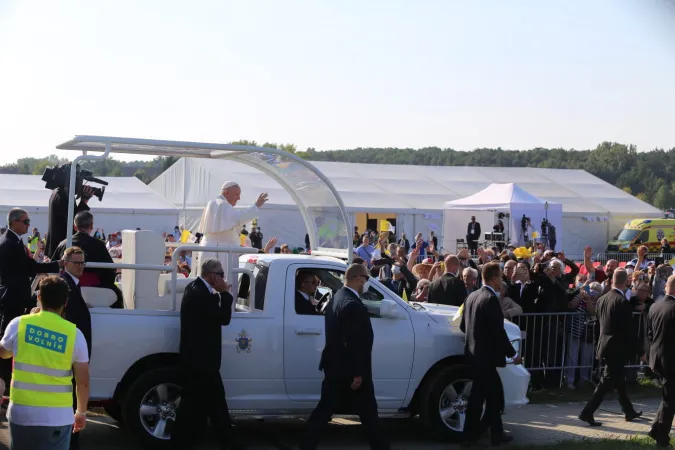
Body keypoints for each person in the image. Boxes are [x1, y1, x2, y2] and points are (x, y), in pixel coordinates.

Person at [300, 263, 390, 450]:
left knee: (326, 411)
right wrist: (358, 373)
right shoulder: (352, 304)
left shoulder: (338, 297)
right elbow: (354, 342)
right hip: (350, 371)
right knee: (368, 414)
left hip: (336, 366)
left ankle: (306, 445)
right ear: (358, 279)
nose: (366, 283)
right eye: (366, 278)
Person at [0, 276, 89, 450]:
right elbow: (83, 382)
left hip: (22, 413)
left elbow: (3, 353)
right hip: (58, 417)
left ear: (39, 297)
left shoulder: (19, 324)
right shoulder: (74, 334)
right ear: (66, 301)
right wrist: (81, 412)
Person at [170, 259, 240, 450]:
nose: (224, 280)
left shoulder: (197, 289)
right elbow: (223, 318)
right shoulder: (199, 293)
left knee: (208, 403)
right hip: (200, 361)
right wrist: (226, 294)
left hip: (202, 360)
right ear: (213, 277)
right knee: (200, 404)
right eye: (222, 276)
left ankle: (224, 441)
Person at [0, 208, 64, 389]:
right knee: (6, 341)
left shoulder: (12, 240)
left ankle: (3, 381)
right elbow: (29, 267)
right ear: (13, 222)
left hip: (14, 295)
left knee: (8, 340)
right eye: (25, 221)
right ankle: (2, 382)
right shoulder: (10, 242)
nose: (29, 225)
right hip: (12, 297)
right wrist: (56, 265)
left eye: (28, 221)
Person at [460, 262, 520, 446]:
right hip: (485, 358)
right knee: (491, 398)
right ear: (493, 279)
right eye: (500, 277)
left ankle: (493, 434)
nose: (502, 280)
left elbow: (464, 325)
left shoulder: (472, 296)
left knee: (489, 397)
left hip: (474, 355)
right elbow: (498, 331)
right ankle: (474, 435)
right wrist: (513, 354)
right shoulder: (490, 299)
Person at [579, 268, 642, 426]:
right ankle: (587, 412)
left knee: (619, 381)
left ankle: (628, 411)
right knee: (606, 382)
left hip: (605, 345)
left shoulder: (602, 299)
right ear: (626, 281)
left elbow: (598, 325)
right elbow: (627, 330)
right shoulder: (622, 302)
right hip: (617, 348)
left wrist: (598, 345)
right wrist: (638, 350)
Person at [196, 181, 268, 278]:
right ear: (226, 192)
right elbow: (239, 218)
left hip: (215, 249)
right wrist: (256, 206)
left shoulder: (216, 203)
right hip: (221, 252)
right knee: (223, 282)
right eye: (236, 194)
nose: (238, 198)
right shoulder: (221, 204)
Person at [52, 211, 123, 308]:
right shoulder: (99, 245)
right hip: (95, 289)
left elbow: (53, 266)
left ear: (75, 226)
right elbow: (110, 271)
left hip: (66, 288)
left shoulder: (63, 244)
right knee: (119, 297)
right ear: (91, 225)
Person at [58, 247, 92, 449]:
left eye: (82, 263)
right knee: (71, 401)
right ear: (66, 262)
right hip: (70, 353)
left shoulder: (71, 284)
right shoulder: (65, 285)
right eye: (76, 263)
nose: (80, 266)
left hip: (73, 351)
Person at [647, 274, 675, 447]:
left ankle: (656, 430)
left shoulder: (655, 306)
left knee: (669, 395)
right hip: (671, 359)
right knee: (670, 400)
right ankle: (661, 438)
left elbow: (650, 333)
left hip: (657, 357)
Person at [45, 185, 95, 259]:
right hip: (65, 249)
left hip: (57, 247)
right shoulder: (64, 196)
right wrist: (84, 201)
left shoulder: (58, 193)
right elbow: (77, 220)